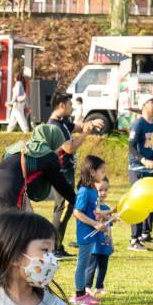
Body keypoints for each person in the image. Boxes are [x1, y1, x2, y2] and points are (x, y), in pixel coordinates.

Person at [48, 92, 103, 259]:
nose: (72, 107)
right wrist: (85, 134)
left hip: (67, 172)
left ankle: (57, 246)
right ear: (61, 106)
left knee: (67, 207)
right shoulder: (54, 126)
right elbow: (69, 148)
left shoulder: (62, 122)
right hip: (61, 173)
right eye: (70, 104)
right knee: (63, 209)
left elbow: (78, 127)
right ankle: (54, 248)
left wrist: (90, 123)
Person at [0, 124, 78, 217]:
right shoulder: (48, 156)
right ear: (53, 141)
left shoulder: (19, 147)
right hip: (9, 192)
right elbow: (61, 185)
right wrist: (78, 202)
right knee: (18, 230)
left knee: (0, 229)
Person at [127, 94, 153, 251]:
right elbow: (131, 147)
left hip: (152, 170)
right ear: (143, 105)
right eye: (152, 101)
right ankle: (134, 240)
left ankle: (145, 233)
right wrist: (143, 160)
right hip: (138, 170)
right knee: (138, 203)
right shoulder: (138, 124)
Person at [70, 155, 107, 305]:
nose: (103, 174)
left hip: (93, 232)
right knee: (82, 264)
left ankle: (83, 294)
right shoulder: (84, 191)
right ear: (92, 172)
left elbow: (93, 211)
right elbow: (77, 212)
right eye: (102, 171)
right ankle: (79, 295)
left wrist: (105, 218)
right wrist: (94, 224)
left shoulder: (93, 190)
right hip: (86, 233)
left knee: (85, 264)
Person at [85, 176, 113, 297]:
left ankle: (99, 286)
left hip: (104, 243)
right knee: (91, 266)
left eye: (106, 190)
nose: (103, 193)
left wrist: (110, 240)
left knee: (103, 266)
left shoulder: (107, 208)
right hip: (93, 243)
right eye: (100, 190)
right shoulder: (91, 208)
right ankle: (87, 286)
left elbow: (109, 226)